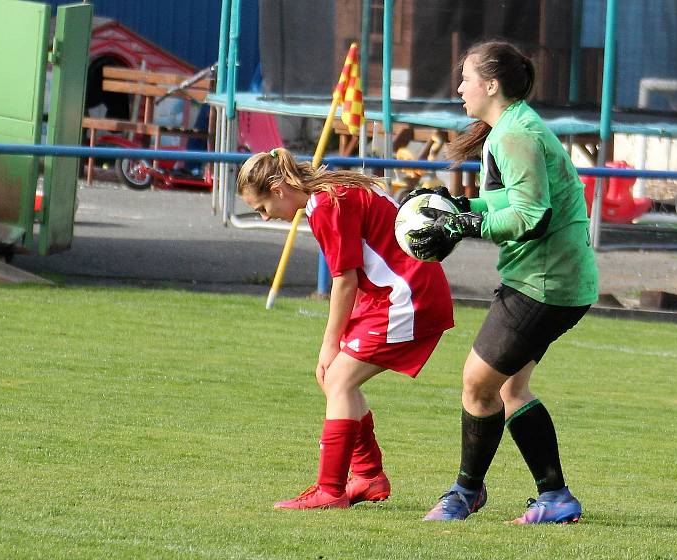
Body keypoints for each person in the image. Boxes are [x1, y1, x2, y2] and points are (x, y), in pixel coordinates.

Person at [404, 40, 598, 523]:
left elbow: (531, 214)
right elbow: (510, 201)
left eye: (466, 78)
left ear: (491, 85)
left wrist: (466, 226)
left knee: (477, 384)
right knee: (510, 388)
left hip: (544, 281)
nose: (460, 88)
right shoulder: (510, 128)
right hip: (550, 277)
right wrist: (461, 208)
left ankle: (465, 493)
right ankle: (555, 498)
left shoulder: (515, 134)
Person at [237, 148, 455, 509]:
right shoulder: (332, 187)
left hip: (407, 297)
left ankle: (331, 490)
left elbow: (344, 281)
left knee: (337, 378)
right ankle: (368, 476)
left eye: (261, 208)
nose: (265, 217)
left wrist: (330, 343)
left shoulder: (325, 204)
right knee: (335, 379)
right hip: (397, 292)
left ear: (277, 189)